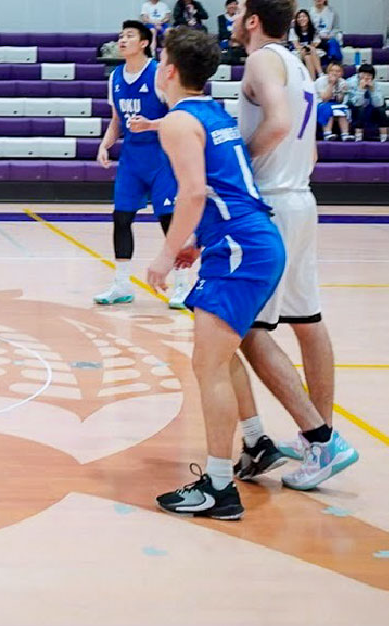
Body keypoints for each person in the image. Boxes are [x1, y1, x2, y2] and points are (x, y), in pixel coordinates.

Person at [139, 26, 288, 520]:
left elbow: (196, 193)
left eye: (162, 59)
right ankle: (254, 442)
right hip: (244, 242)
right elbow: (229, 188)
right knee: (219, 359)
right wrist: (200, 243)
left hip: (243, 248)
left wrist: (166, 252)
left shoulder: (179, 121)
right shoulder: (211, 113)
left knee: (207, 365)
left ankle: (220, 489)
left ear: (170, 69)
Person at [231, 0, 362, 491]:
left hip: (272, 203)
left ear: (255, 20)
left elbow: (280, 125)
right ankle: (318, 442)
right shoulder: (299, 64)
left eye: (240, 10)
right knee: (308, 321)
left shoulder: (263, 60)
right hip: (301, 198)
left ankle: (323, 440)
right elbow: (310, 152)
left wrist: (237, 162)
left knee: (245, 329)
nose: (236, 17)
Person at [95, 20, 176, 305]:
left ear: (144, 43)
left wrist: (151, 124)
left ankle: (181, 285)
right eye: (121, 36)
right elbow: (117, 121)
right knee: (121, 218)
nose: (123, 40)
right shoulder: (115, 76)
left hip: (161, 156)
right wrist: (105, 145)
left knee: (169, 220)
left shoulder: (158, 74)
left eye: (130, 36)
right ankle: (121, 285)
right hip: (131, 159)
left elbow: (179, 116)